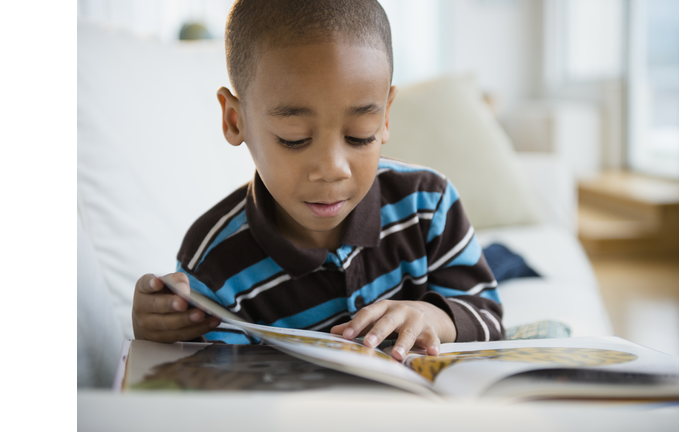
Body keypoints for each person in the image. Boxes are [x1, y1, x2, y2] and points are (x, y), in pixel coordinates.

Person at [131, 0, 504, 361]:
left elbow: (489, 319)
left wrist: (432, 318)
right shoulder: (214, 267)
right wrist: (163, 333)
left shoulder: (428, 204)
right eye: (294, 138)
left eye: (360, 134)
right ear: (234, 120)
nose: (332, 169)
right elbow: (217, 382)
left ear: (386, 117)